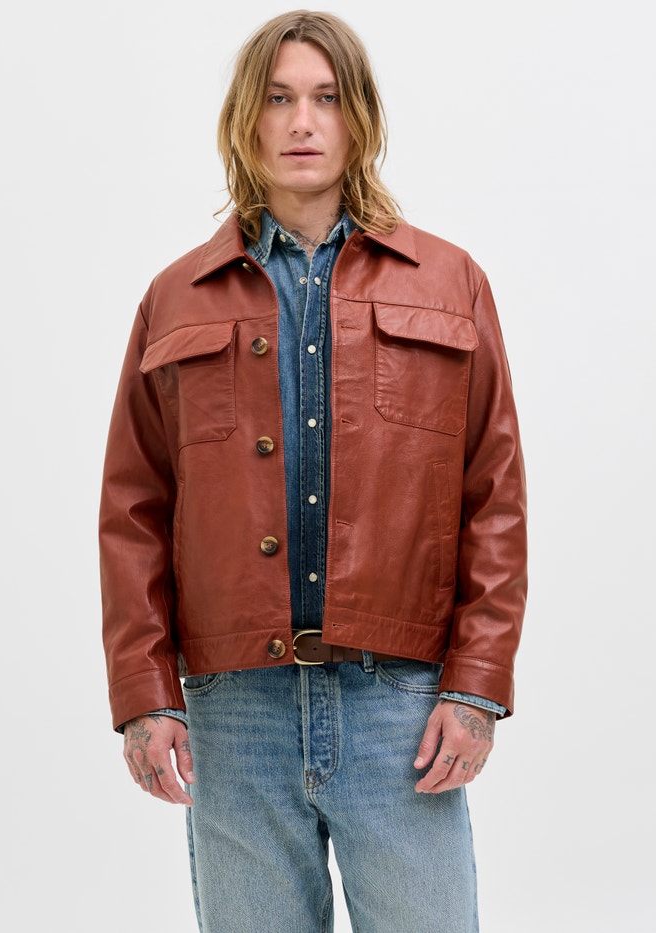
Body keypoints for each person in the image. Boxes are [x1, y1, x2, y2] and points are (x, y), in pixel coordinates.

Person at [99, 10, 527, 932]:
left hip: (401, 706)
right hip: (235, 712)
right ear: (245, 120)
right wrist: (144, 694)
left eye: (326, 99)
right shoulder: (174, 298)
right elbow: (134, 508)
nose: (302, 122)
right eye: (279, 98)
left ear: (358, 116)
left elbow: (494, 495)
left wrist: (476, 684)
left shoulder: (449, 282)